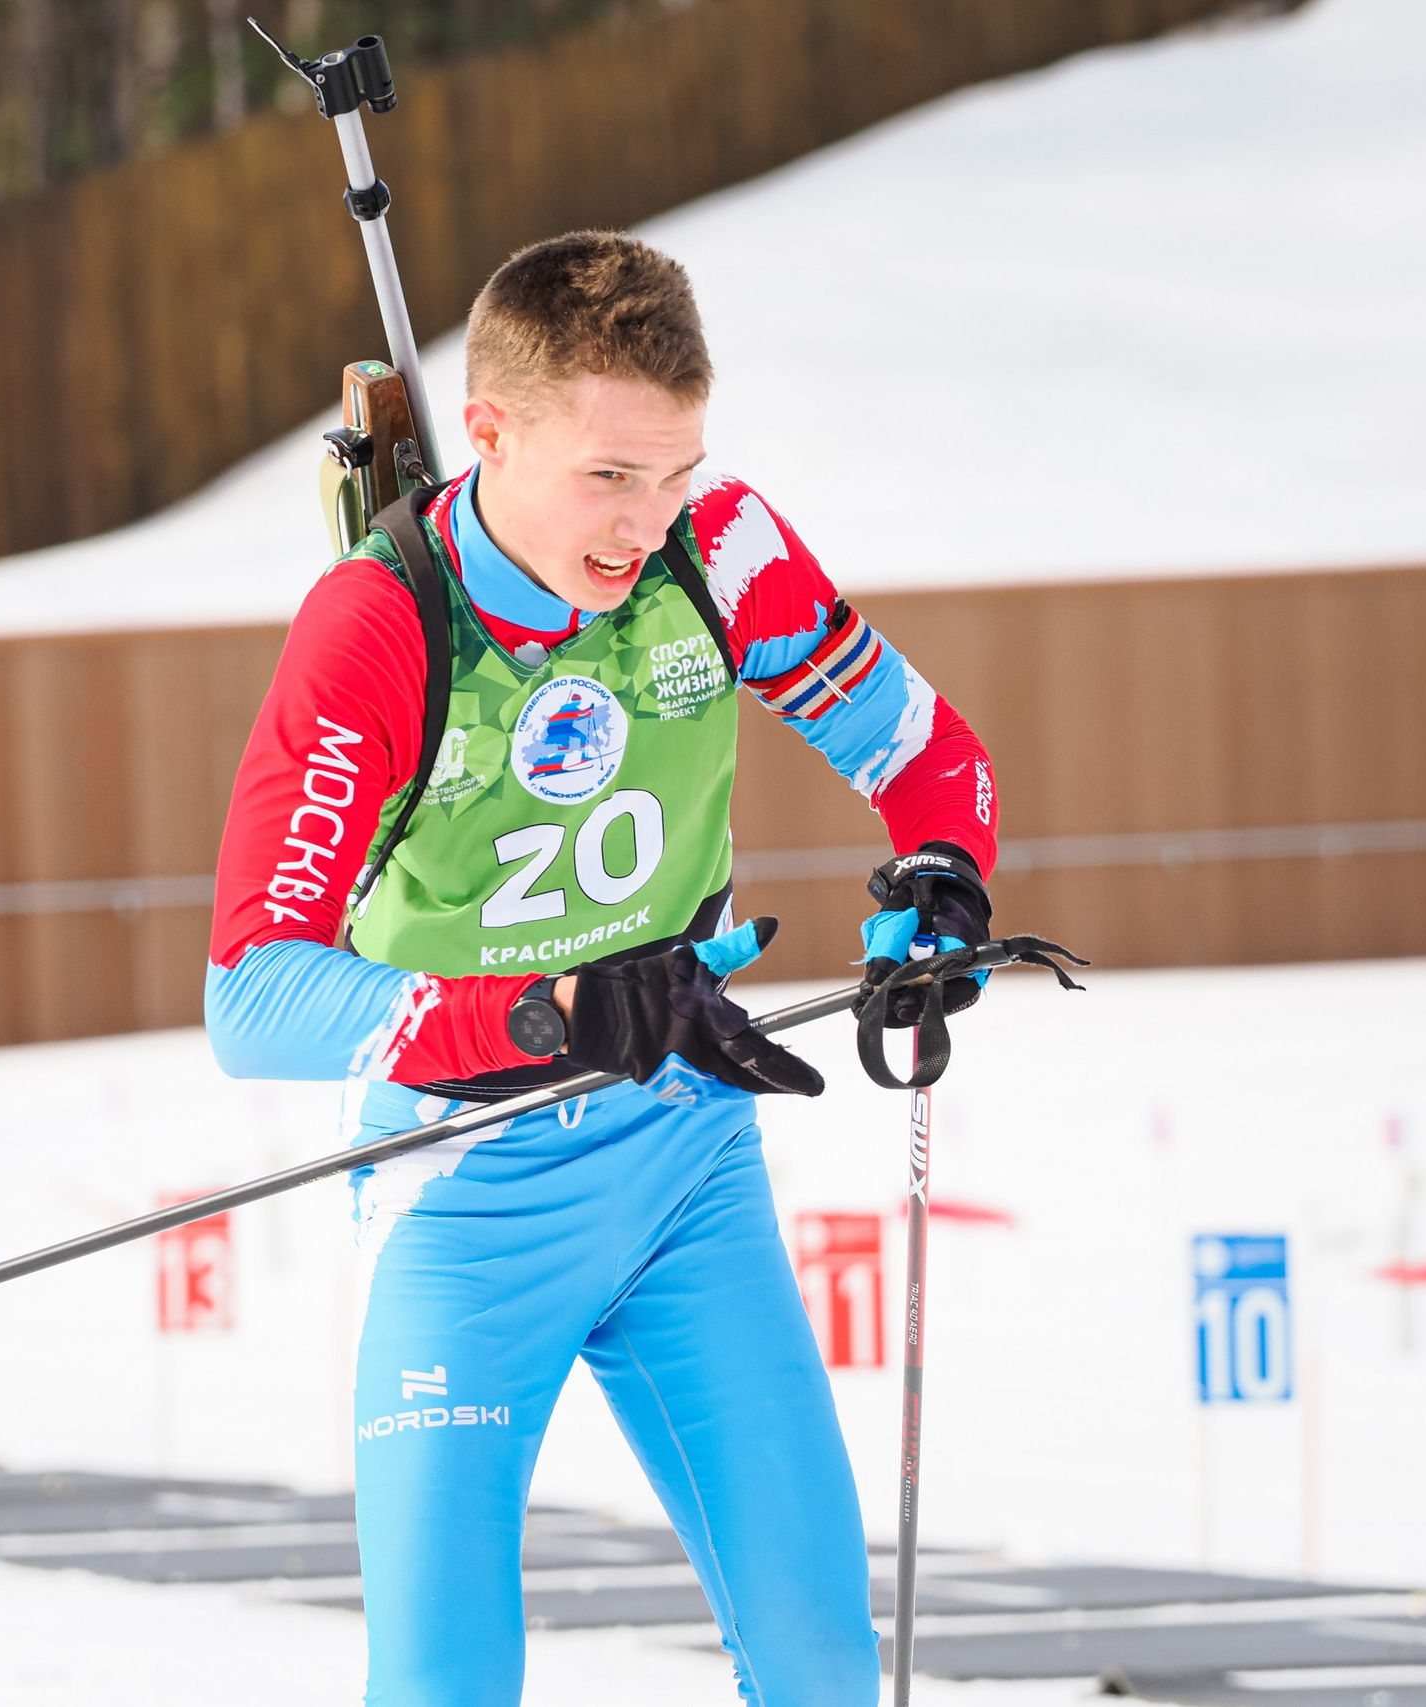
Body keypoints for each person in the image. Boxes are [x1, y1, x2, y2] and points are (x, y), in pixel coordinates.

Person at [205, 231, 999, 1706]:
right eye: (609, 477)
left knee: (826, 1666)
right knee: (445, 1686)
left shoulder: (722, 552)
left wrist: (940, 898)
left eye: (675, 471)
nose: (646, 523)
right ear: (491, 433)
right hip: (463, 1198)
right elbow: (253, 994)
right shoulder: (381, 627)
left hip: (685, 1172)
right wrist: (546, 1009)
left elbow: (930, 760)